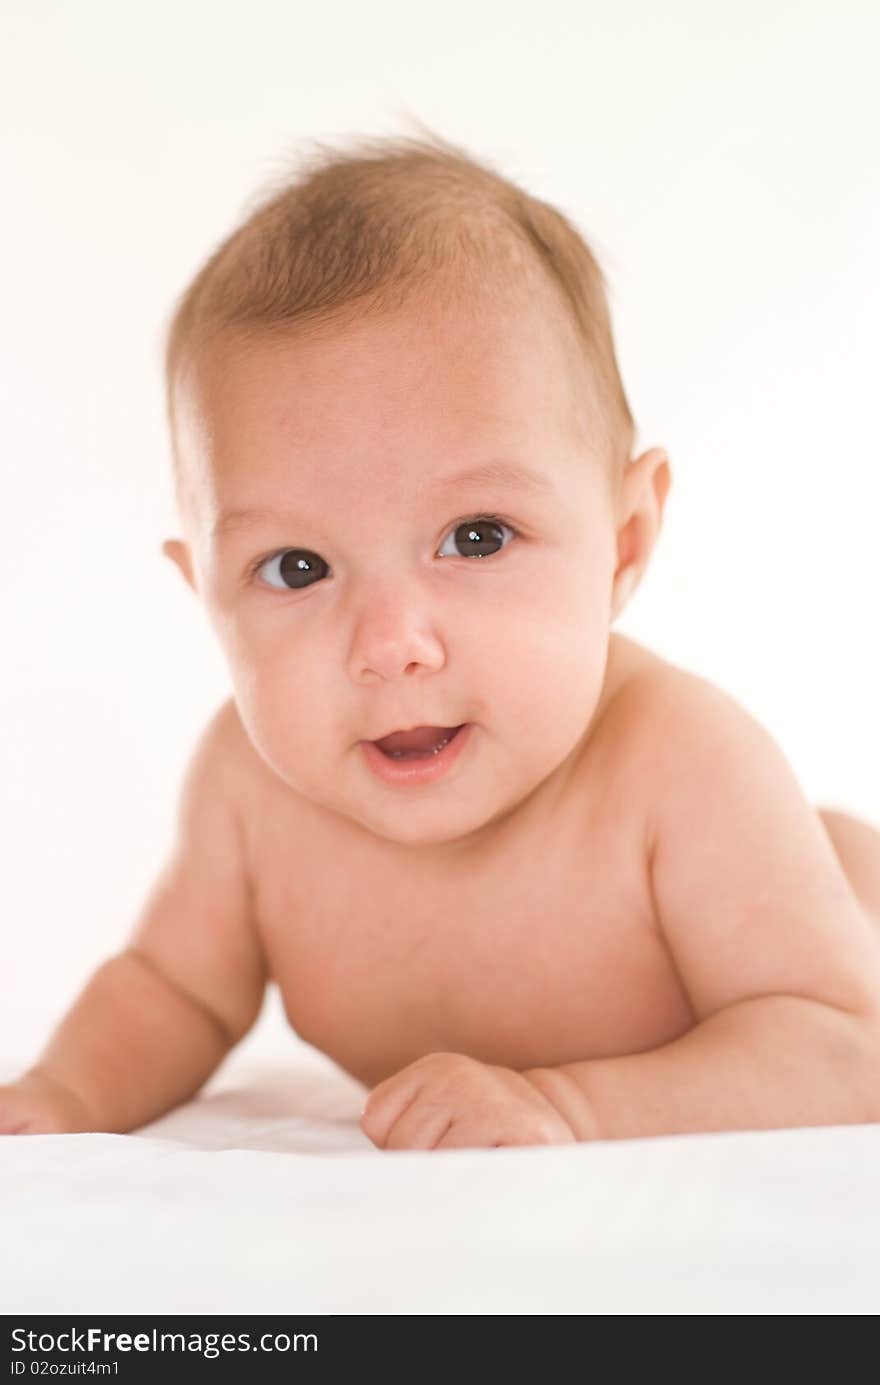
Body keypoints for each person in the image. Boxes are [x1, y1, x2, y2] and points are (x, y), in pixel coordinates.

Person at [3, 132, 879, 1149]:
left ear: (623, 541)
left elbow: (843, 1045)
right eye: (296, 567)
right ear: (204, 593)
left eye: (476, 537)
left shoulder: (681, 765)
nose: (390, 645)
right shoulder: (248, 789)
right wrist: (63, 1094)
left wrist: (567, 1104)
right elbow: (173, 991)